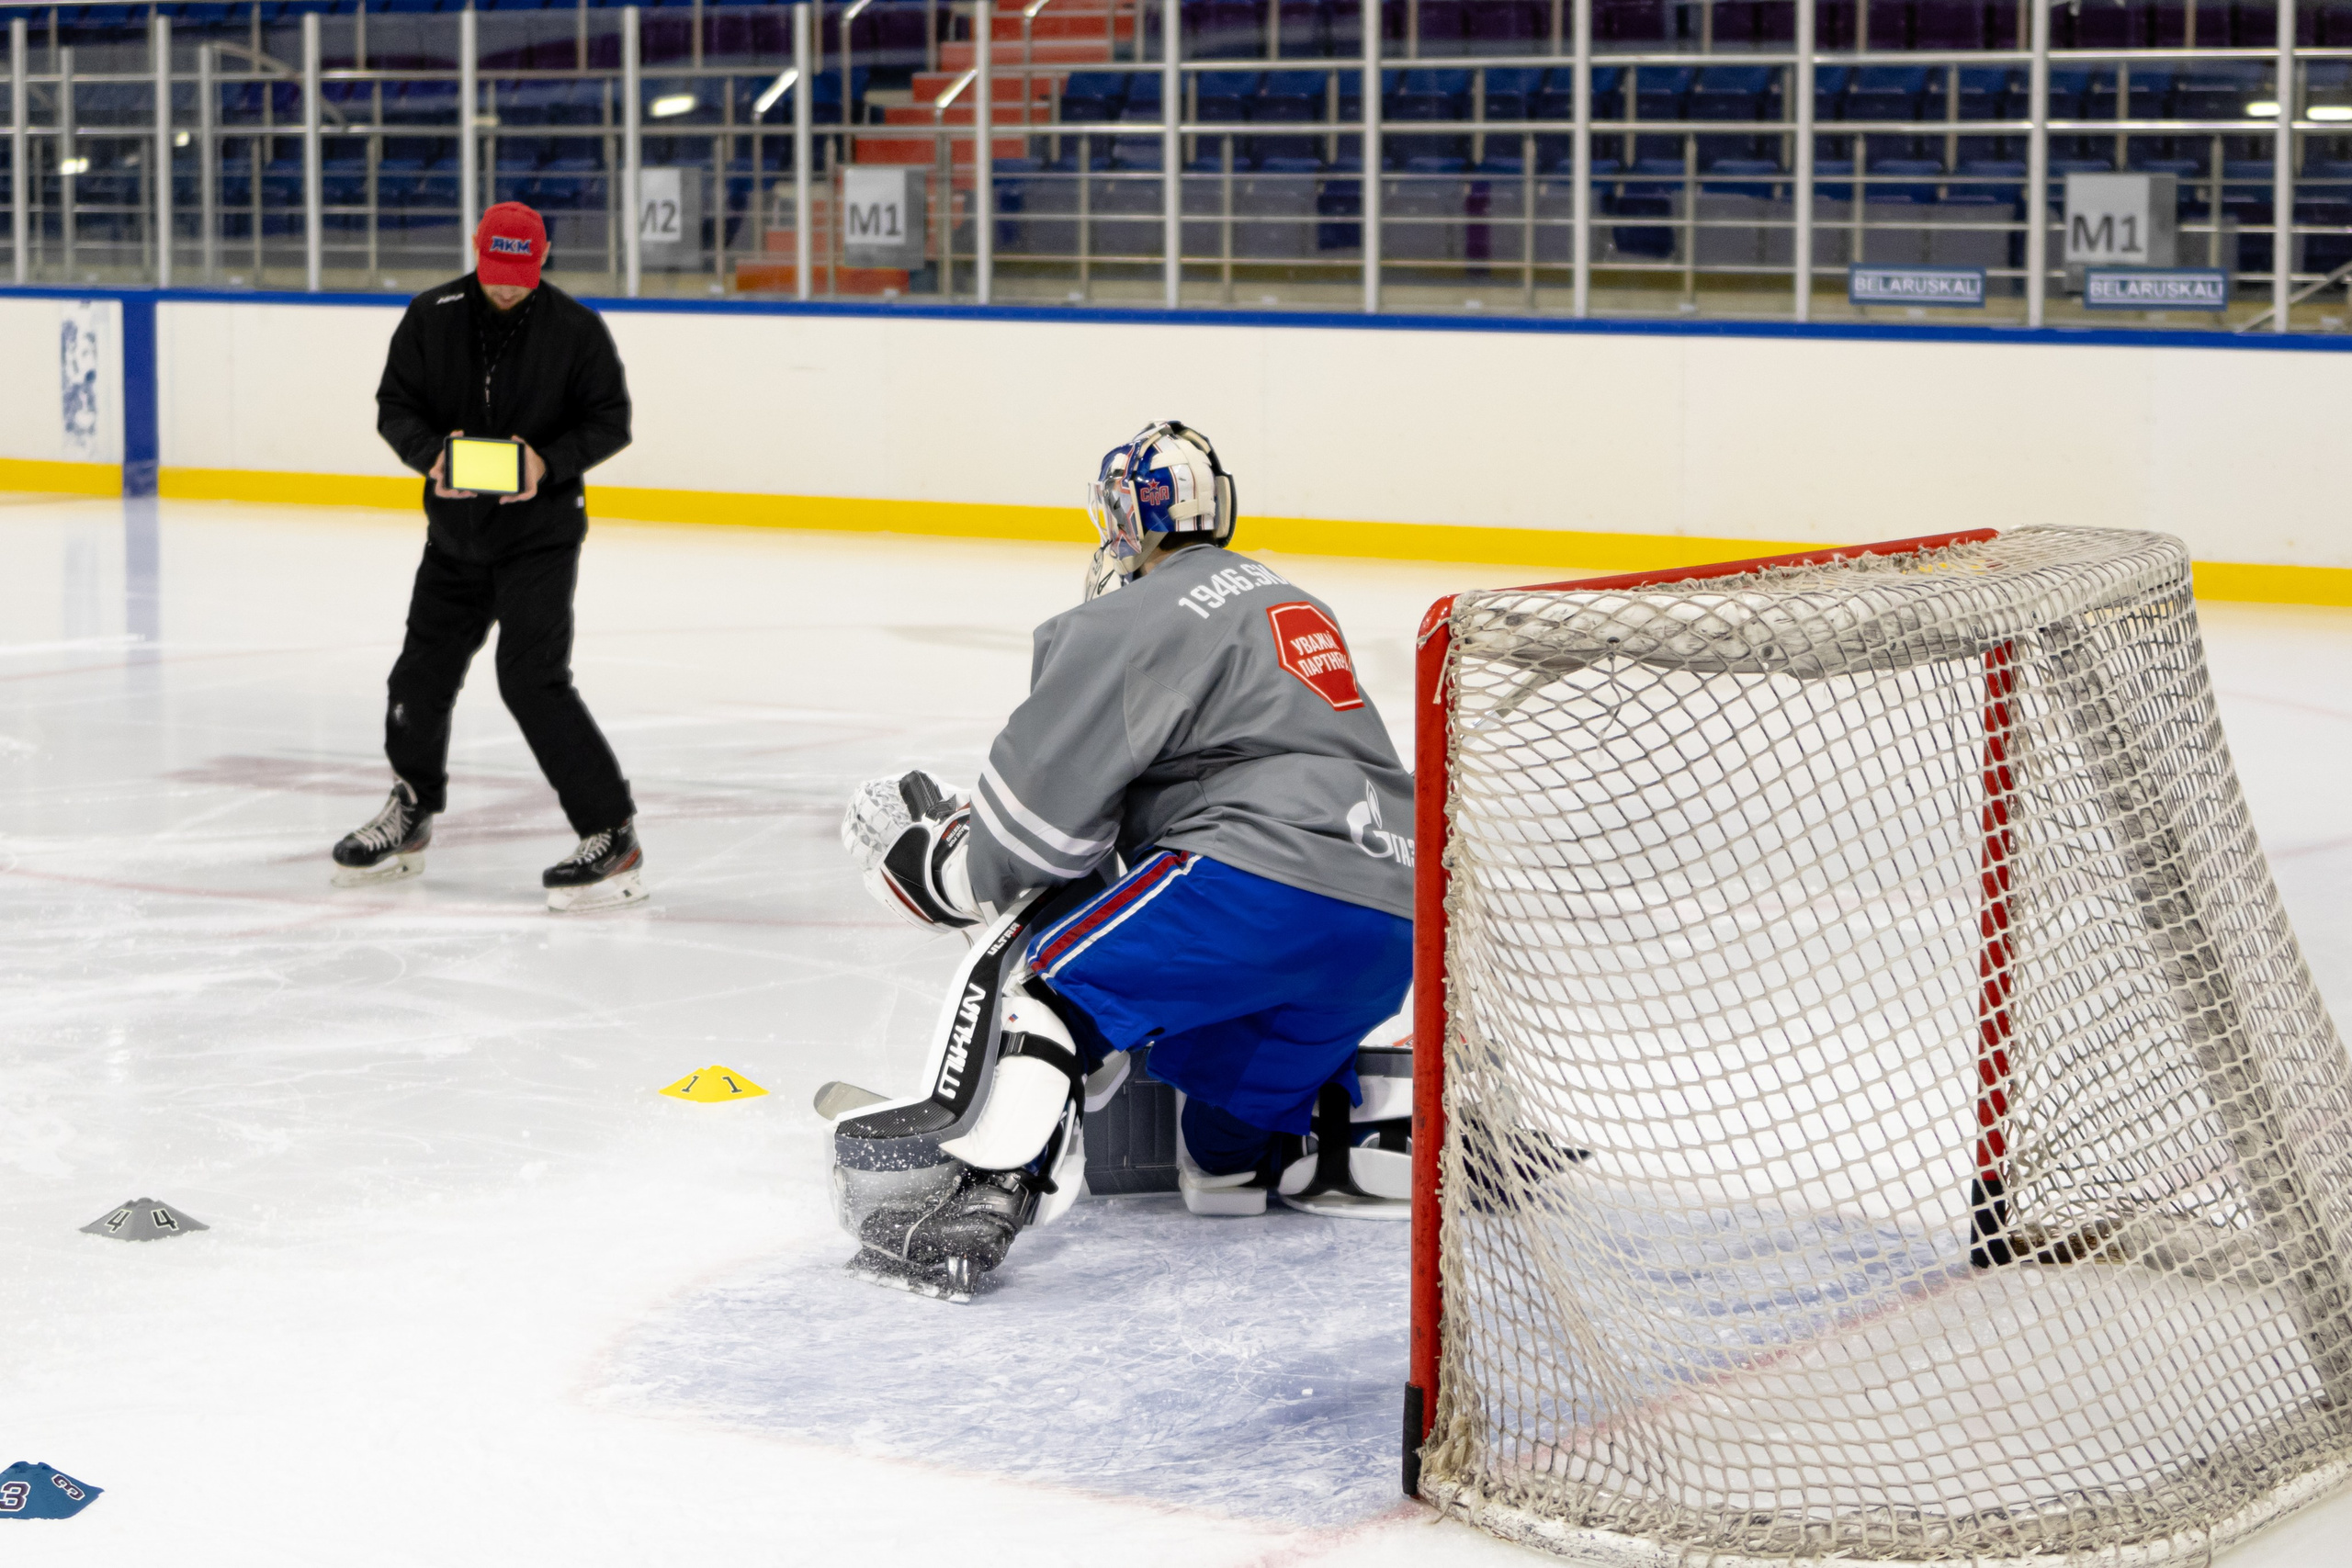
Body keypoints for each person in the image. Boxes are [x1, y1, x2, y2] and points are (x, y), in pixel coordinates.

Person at [829, 421, 1416, 1300]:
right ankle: (1283, 1153)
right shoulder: (1292, 599)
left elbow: (1030, 841)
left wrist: (935, 860)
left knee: (1046, 986)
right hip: (1389, 913)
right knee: (1216, 1157)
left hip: (1254, 877)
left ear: (1126, 518)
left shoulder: (1136, 614)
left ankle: (988, 1195)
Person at [332, 201, 645, 913]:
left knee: (531, 680)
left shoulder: (575, 329)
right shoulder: (430, 316)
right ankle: (411, 809)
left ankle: (610, 831)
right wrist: (430, 455)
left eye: (522, 275)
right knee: (418, 674)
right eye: (498, 273)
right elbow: (395, 405)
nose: (508, 288)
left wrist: (546, 462)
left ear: (543, 260)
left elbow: (610, 420)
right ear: (477, 253)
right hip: (454, 536)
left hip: (539, 536)